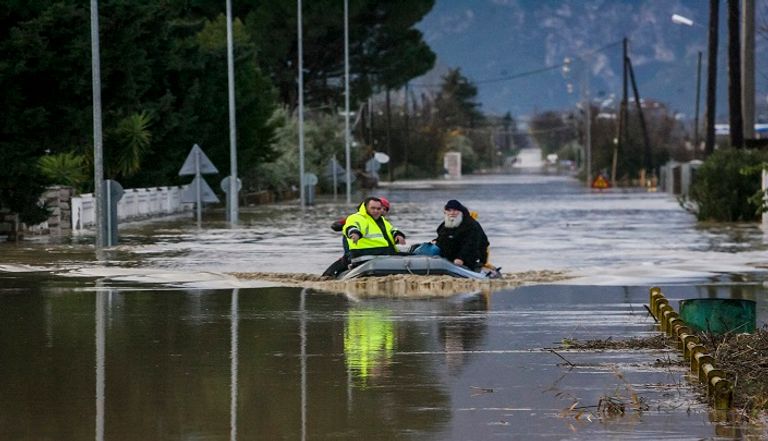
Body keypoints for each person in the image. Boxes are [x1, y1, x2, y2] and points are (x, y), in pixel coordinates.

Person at [322, 197, 399, 277]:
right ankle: (329, 275)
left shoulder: (383, 223)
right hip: (354, 244)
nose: (382, 211)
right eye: (382, 208)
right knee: (346, 259)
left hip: (379, 253)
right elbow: (337, 225)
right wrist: (348, 228)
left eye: (385, 209)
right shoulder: (358, 218)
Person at [343, 197, 406, 262]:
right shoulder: (356, 217)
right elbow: (352, 226)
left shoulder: (382, 221)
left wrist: (398, 235)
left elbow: (392, 230)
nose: (376, 211)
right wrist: (354, 233)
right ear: (366, 208)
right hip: (365, 255)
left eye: (378, 209)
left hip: (385, 254)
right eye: (373, 208)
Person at [434, 199, 489, 272]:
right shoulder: (444, 225)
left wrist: (461, 258)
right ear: (445, 212)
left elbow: (471, 244)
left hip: (472, 255)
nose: (452, 213)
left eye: (455, 210)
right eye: (449, 210)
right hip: (450, 256)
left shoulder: (471, 225)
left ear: (461, 212)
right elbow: (442, 238)